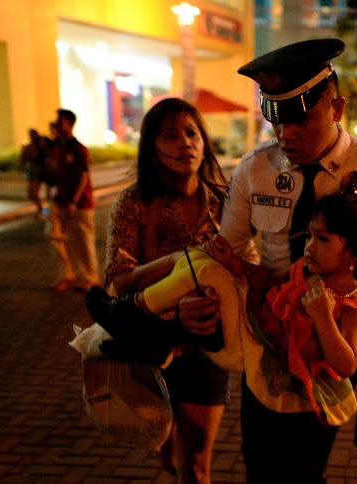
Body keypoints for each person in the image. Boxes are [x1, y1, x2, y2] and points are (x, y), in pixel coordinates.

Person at [176, 37, 357, 483]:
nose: (288, 135)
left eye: (302, 119)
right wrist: (229, 307)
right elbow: (233, 250)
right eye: (277, 121)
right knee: (260, 467)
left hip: (330, 348)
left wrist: (351, 337)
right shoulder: (254, 169)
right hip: (265, 343)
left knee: (304, 469)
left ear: (337, 107)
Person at [88, 191, 357, 482]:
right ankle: (141, 324)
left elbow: (347, 366)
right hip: (256, 331)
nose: (310, 245)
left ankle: (132, 316)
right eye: (310, 236)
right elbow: (272, 280)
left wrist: (324, 319)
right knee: (198, 259)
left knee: (204, 271)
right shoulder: (309, 271)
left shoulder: (352, 307)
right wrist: (236, 265)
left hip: (261, 357)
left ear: (352, 253)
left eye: (322, 238)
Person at [100, 97, 230, 484]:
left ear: (204, 143)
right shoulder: (133, 204)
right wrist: (181, 263)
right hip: (150, 349)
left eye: (192, 133)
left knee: (196, 465)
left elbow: (246, 264)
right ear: (153, 150)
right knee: (169, 455)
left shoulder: (224, 203)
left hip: (208, 348)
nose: (185, 143)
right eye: (171, 136)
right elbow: (119, 280)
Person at [48, 109, 100, 294]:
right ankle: (67, 274)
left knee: (83, 241)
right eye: (57, 122)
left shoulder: (79, 149)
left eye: (61, 122)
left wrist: (74, 201)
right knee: (55, 235)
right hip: (60, 200)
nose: (57, 124)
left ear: (69, 125)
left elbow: (84, 176)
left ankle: (90, 279)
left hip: (81, 203)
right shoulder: (57, 148)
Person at [20, 128, 48, 215]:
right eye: (30, 135)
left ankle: (44, 211)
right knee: (31, 194)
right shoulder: (28, 146)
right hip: (31, 171)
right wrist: (24, 152)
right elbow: (23, 160)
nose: (31, 137)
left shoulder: (40, 146)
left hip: (38, 172)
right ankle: (42, 209)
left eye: (32, 135)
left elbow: (41, 158)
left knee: (35, 193)